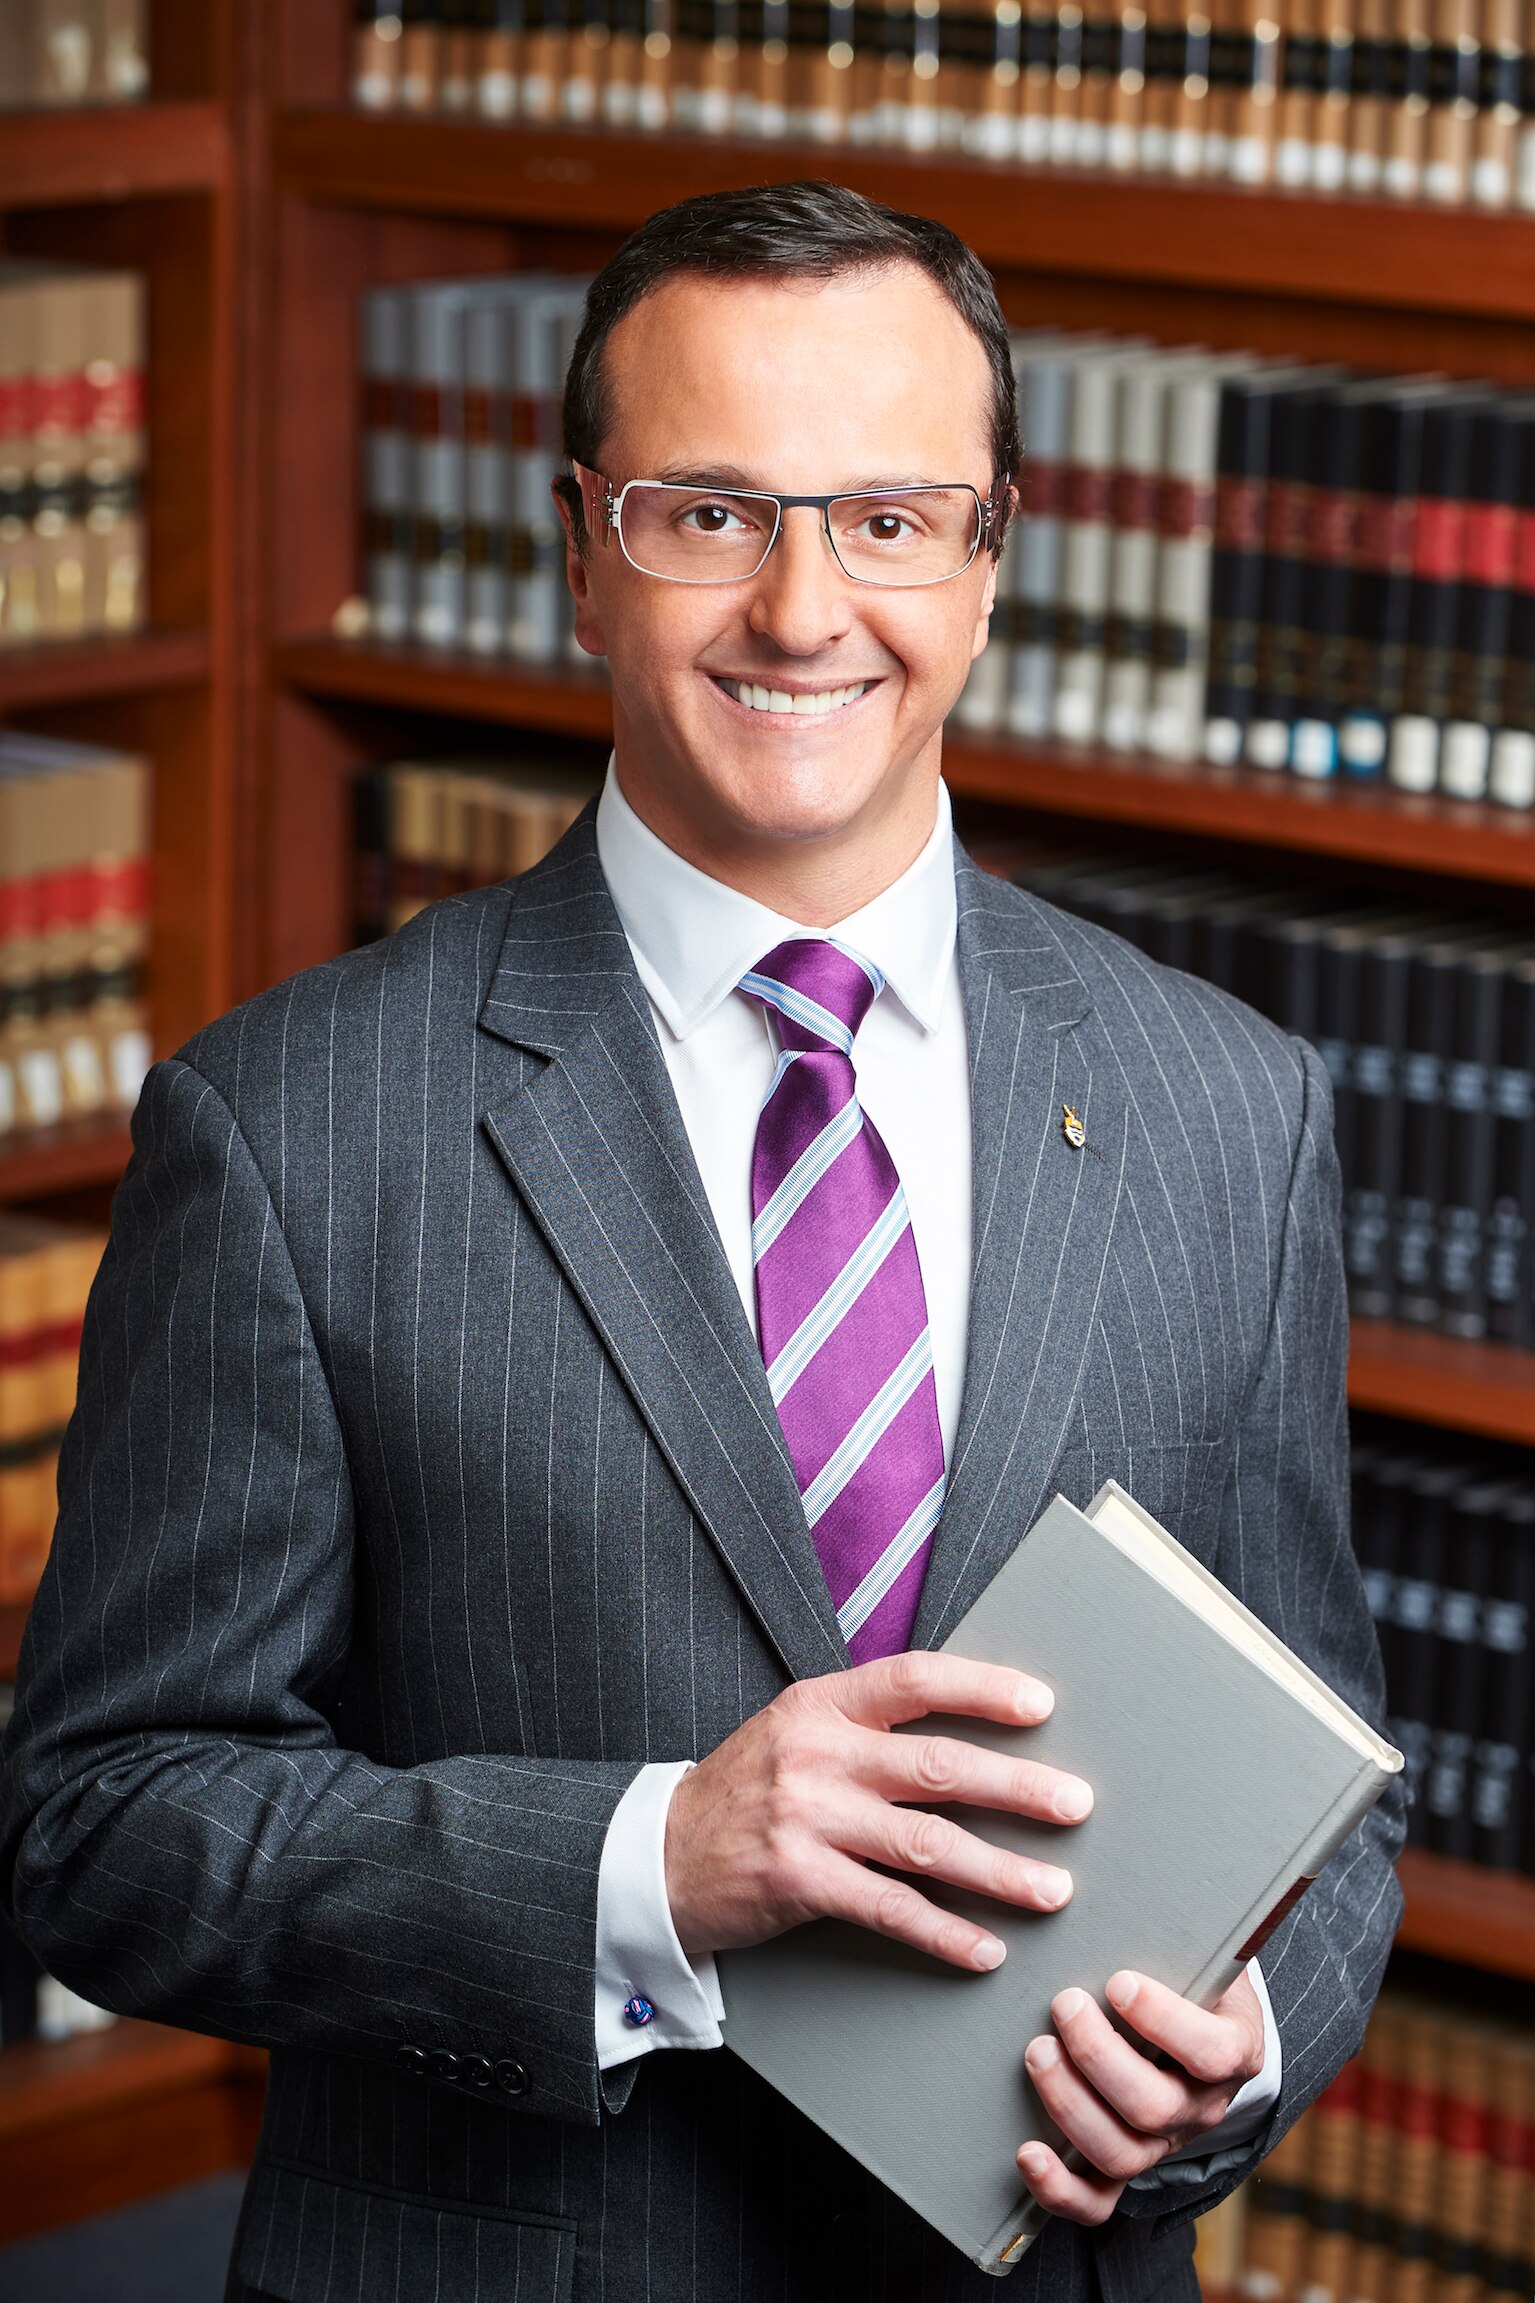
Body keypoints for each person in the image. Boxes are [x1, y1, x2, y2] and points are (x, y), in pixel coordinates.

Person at [1, 182, 1402, 2303]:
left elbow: (1328, 1786)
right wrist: (648, 1863)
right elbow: (100, 1822)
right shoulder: (289, 1125)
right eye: (708, 514)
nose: (803, 606)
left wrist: (1241, 2050)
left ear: (993, 556)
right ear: (582, 549)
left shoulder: (1232, 1107)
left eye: (889, 516)